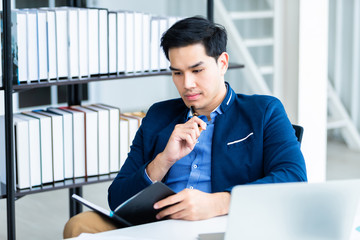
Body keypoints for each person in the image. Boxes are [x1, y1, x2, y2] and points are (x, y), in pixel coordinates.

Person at [63, 16, 307, 238]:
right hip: (156, 226)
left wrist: (218, 203)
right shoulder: (159, 115)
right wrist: (163, 160)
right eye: (177, 73)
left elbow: (293, 178)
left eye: (197, 70)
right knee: (79, 225)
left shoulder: (263, 111)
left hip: (221, 226)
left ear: (222, 63)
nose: (187, 84)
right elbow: (117, 199)